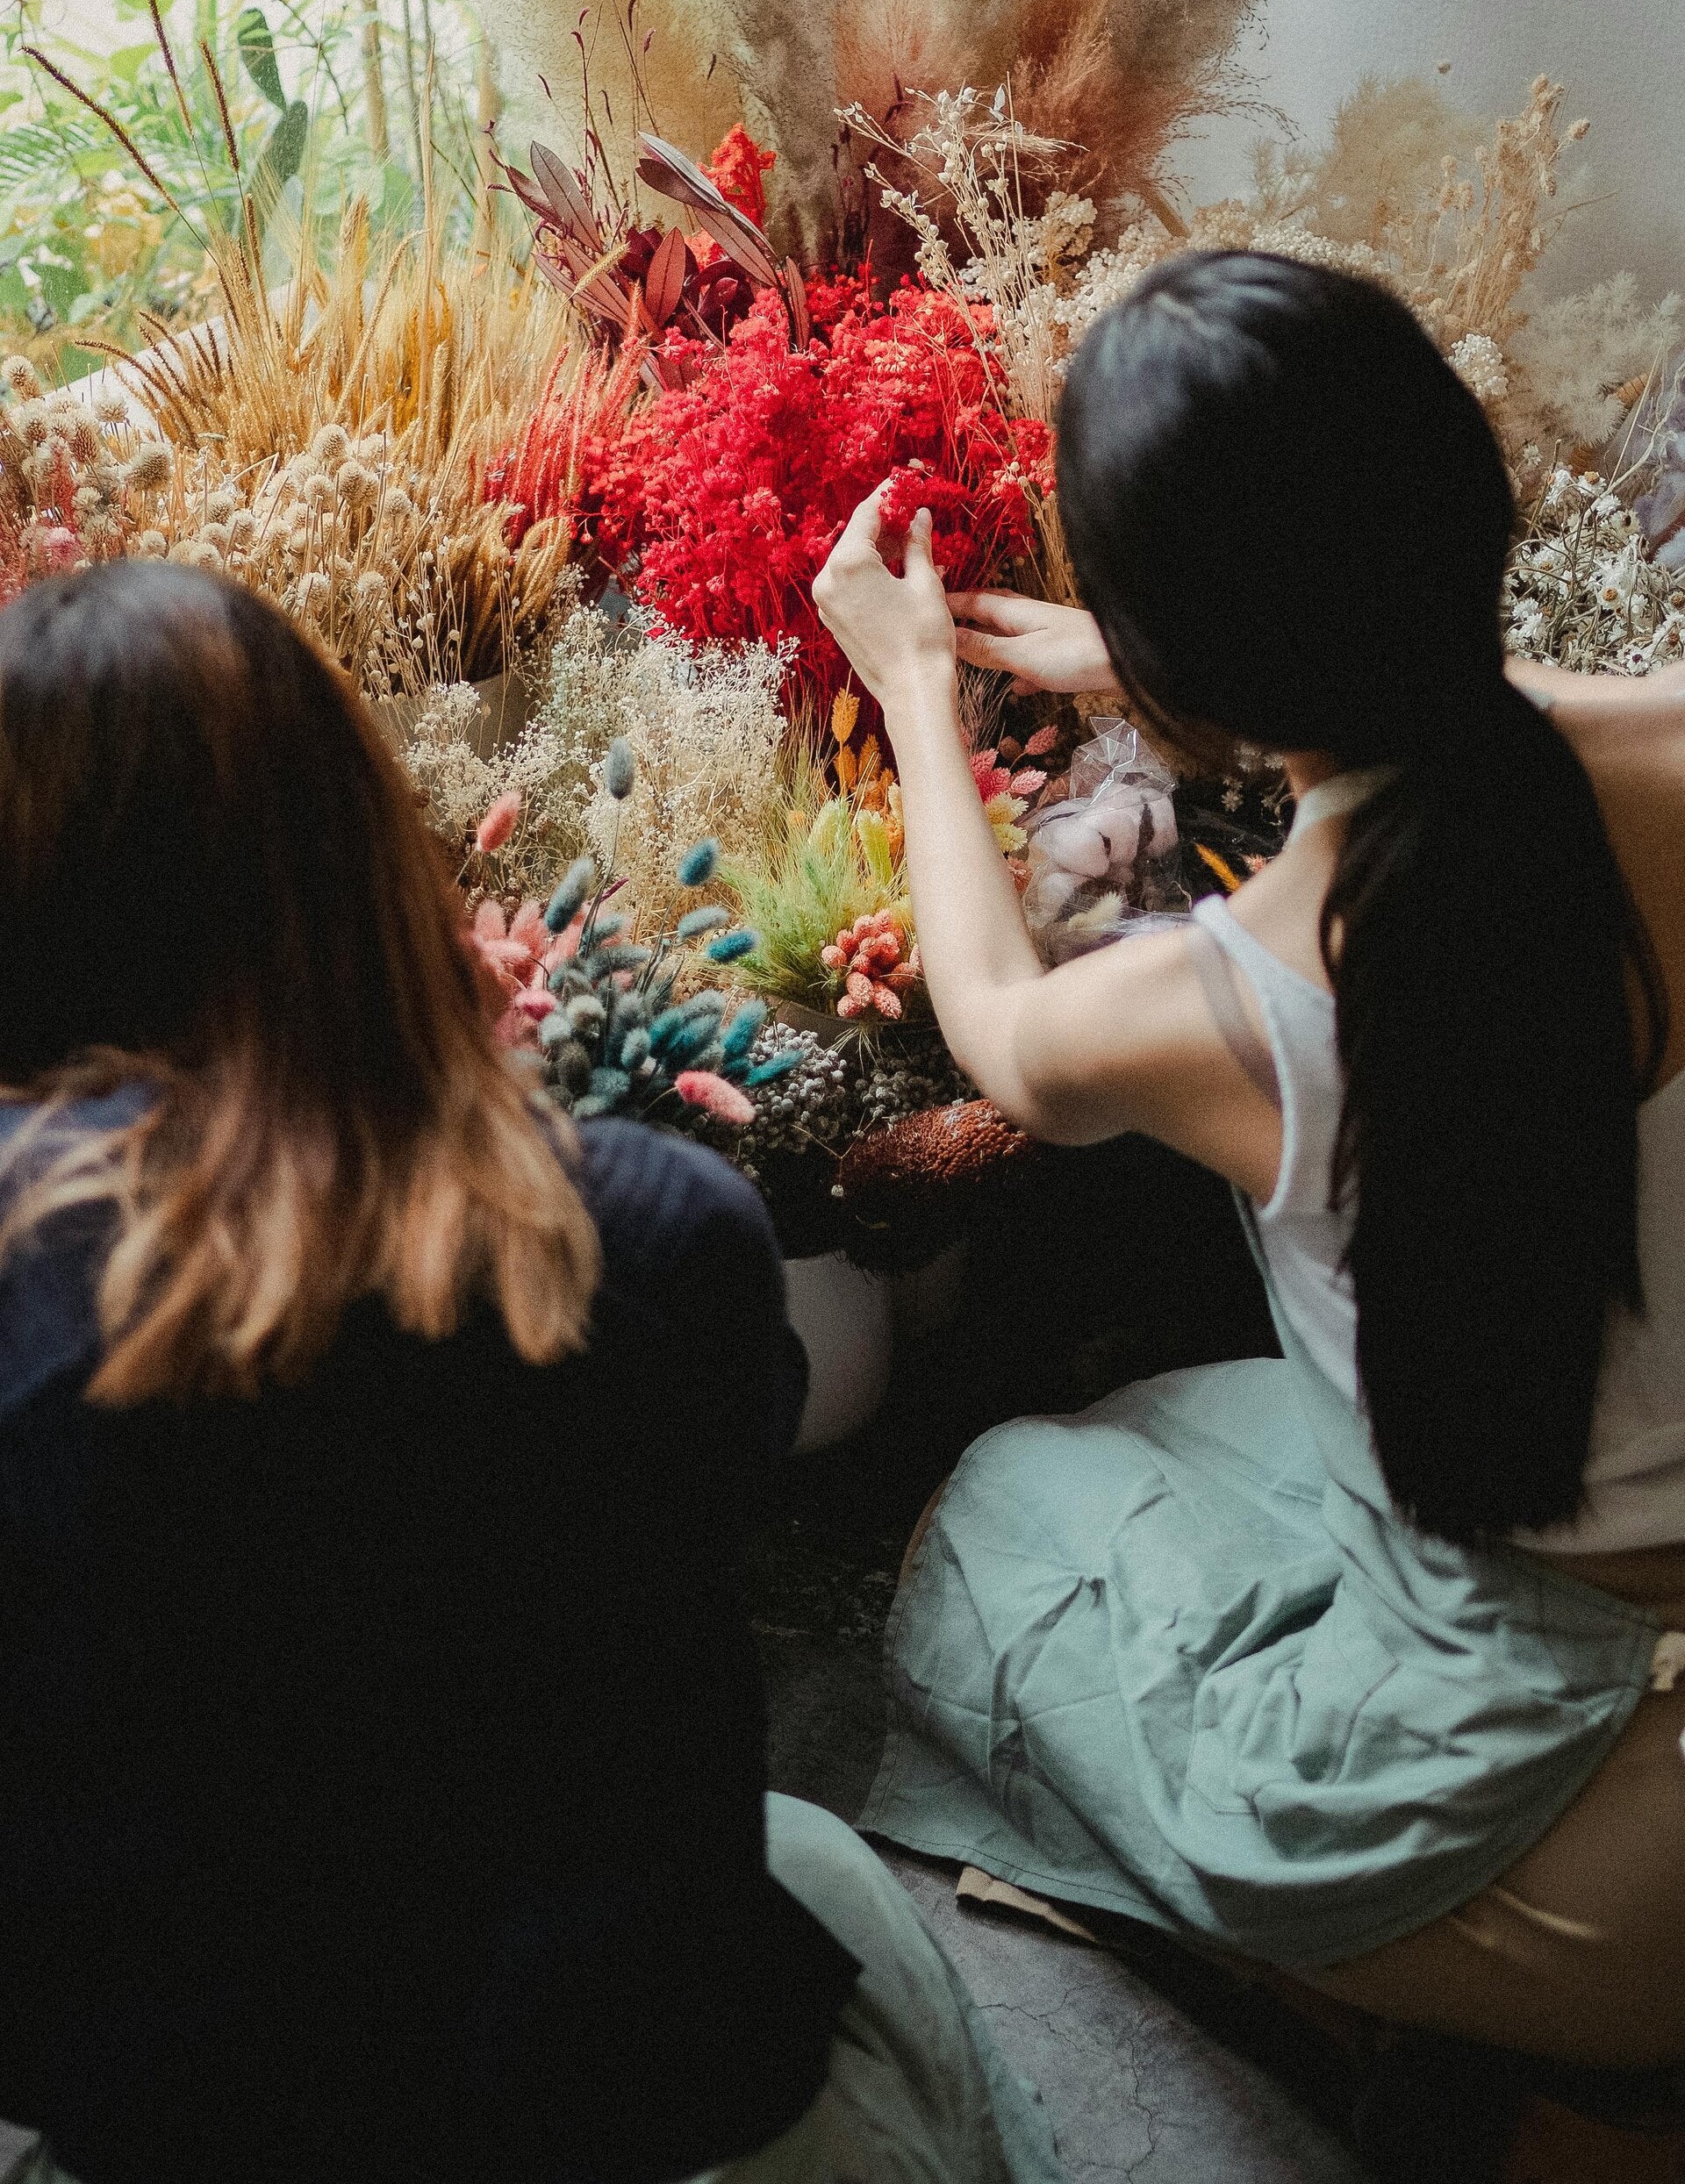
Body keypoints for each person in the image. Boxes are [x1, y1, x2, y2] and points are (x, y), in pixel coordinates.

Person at [0, 563, 1063, 2184]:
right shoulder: (644, 1234)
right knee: (832, 1875)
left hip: (181, 2121)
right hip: (616, 2091)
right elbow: (727, 1453)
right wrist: (486, 1118)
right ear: (364, 847)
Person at [812, 249, 1685, 2070]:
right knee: (1176, 1433)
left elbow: (994, 1016)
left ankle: (1428, 2020)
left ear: (1197, 671)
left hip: (1573, 1759)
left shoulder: (1227, 1004)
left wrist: (909, 686)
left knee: (1008, 1513)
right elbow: (1463, 702)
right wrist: (1175, 673)